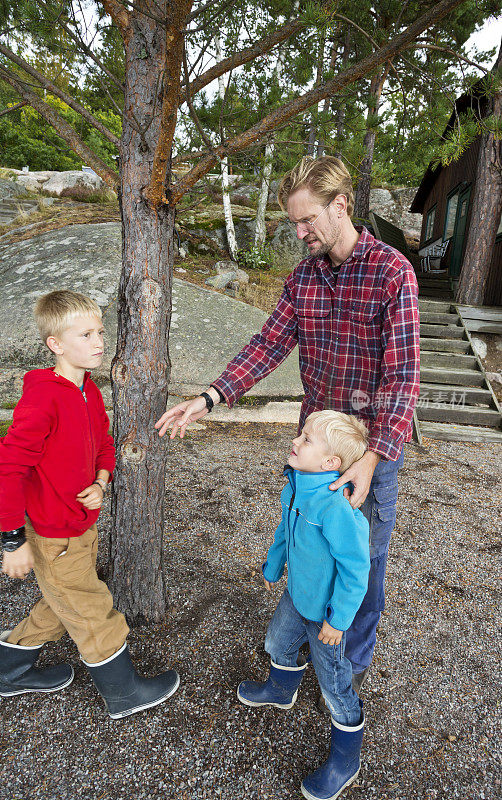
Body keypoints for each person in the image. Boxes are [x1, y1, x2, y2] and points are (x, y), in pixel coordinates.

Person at [156, 155, 420, 689]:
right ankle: (294, 659)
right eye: (294, 223)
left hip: (370, 453)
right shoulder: (303, 278)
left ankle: (348, 672)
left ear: (341, 206)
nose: (300, 233)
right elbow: (268, 344)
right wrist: (209, 397)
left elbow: (404, 377)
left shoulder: (393, 272)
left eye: (307, 221)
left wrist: (371, 462)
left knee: (362, 569)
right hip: (313, 453)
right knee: (309, 552)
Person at [0, 290, 179, 718]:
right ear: (55, 345)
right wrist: (10, 540)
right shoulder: (43, 397)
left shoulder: (90, 392)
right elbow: (9, 468)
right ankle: (124, 694)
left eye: (100, 331)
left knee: (60, 605)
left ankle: (7, 670)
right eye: (85, 334)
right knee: (93, 609)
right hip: (51, 533)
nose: (99, 341)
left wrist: (101, 481)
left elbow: (103, 442)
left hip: (81, 526)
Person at [237, 410, 370, 800]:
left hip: (327, 615)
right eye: (301, 434)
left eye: (307, 439)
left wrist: (339, 620)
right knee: (277, 643)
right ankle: (281, 690)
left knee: (334, 687)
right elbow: (284, 530)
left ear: (331, 463)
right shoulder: (295, 485)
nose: (296, 441)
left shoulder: (336, 508)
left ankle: (347, 760)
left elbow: (355, 569)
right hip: (297, 595)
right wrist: (274, 564)